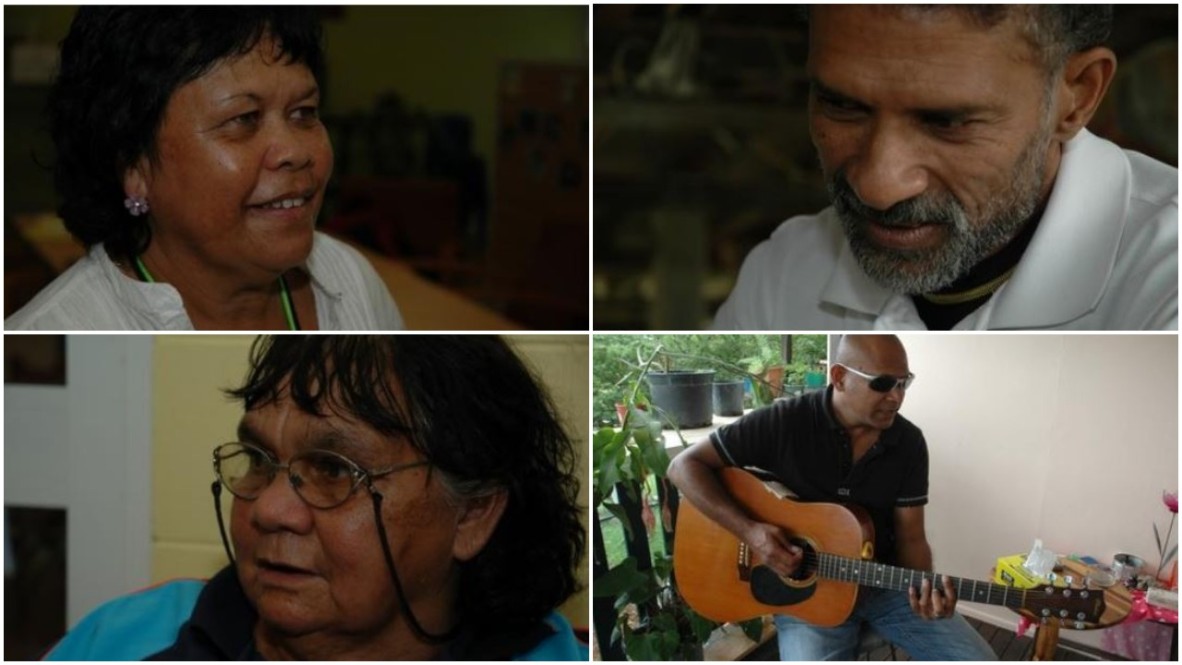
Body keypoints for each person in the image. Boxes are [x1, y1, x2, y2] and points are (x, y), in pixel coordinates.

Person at [45, 336, 587, 660]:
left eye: (333, 469)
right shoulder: (126, 637)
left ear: (472, 514)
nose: (268, 509)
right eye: (259, 460)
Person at [714, 6, 1177, 331]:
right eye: (840, 105)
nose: (878, 186)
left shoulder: (1166, 280)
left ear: (1076, 96)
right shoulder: (783, 273)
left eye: (947, 121)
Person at [6, 8, 403, 330]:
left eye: (304, 113)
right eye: (244, 119)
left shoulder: (350, 281)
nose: (296, 152)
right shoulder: (61, 327)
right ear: (135, 167)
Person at [668, 335, 996, 660]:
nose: (896, 397)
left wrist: (923, 593)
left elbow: (912, 537)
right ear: (839, 377)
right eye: (882, 383)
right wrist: (751, 533)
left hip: (883, 585)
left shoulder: (908, 442)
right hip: (804, 601)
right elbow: (683, 466)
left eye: (903, 383)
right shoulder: (786, 421)